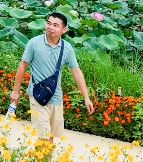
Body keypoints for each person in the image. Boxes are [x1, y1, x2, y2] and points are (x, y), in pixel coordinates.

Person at [8, 12, 94, 141]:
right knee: (43, 137)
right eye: (48, 23)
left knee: (51, 138)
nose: (50, 27)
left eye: (55, 25)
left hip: (56, 97)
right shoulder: (34, 43)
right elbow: (22, 66)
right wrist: (15, 91)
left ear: (63, 29)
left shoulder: (67, 48)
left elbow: (76, 71)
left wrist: (86, 97)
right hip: (37, 95)